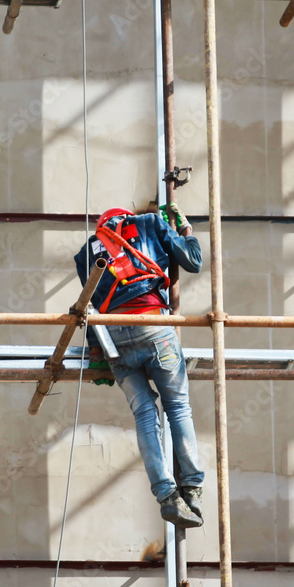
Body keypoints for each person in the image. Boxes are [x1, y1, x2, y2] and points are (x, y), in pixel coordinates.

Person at [74, 204, 205, 529]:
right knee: (177, 407)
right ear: (126, 218)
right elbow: (194, 262)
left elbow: (88, 305)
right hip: (152, 326)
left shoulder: (86, 252)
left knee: (145, 414)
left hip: (114, 336)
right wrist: (184, 229)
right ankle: (191, 487)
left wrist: (95, 351)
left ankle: (166, 495)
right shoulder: (149, 223)